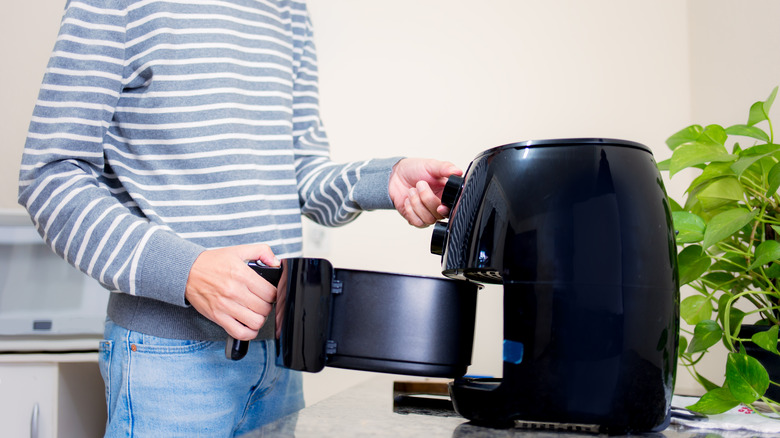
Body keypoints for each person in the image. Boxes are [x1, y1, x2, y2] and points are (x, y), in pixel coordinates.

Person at [17, 1, 461, 436]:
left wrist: (385, 181)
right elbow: (49, 177)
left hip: (278, 359)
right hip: (166, 360)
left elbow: (300, 170)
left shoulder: (287, 10)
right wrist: (187, 271)